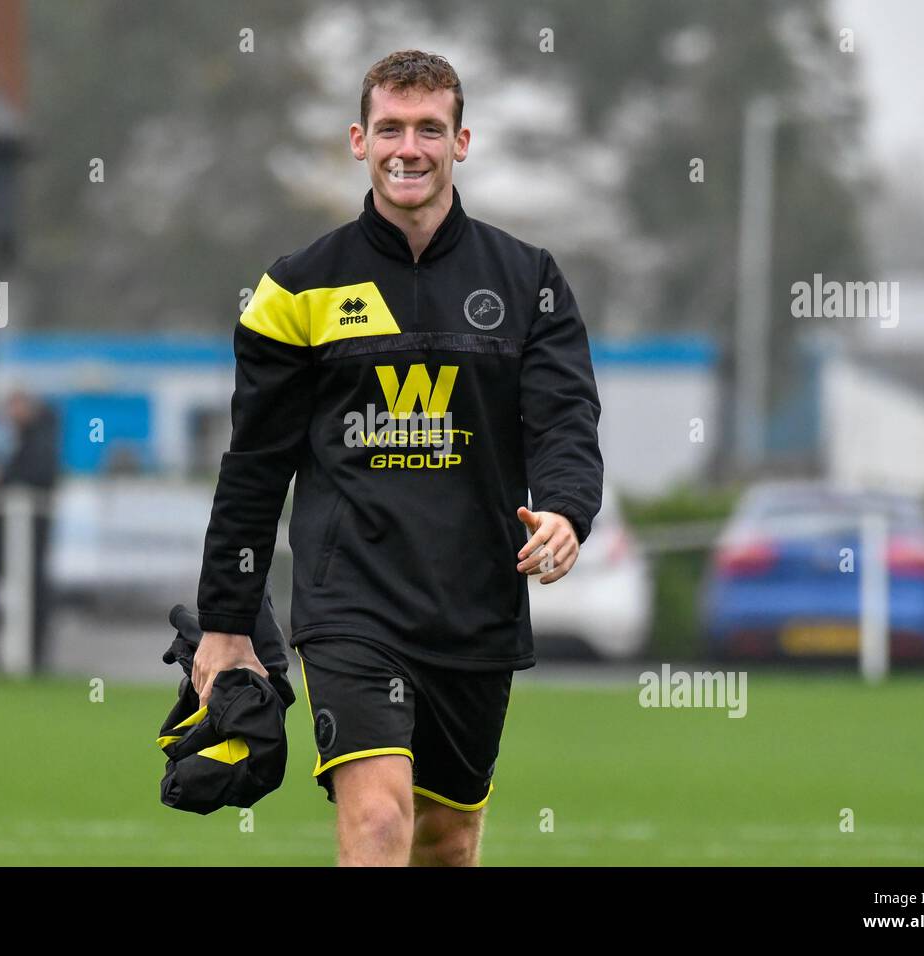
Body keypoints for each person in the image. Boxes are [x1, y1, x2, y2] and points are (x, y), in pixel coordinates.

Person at [192, 50, 603, 866]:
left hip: (475, 601)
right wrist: (226, 621)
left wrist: (565, 509)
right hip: (352, 606)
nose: (407, 148)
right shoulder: (295, 288)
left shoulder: (530, 281)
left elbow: (563, 417)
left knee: (446, 841)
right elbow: (255, 464)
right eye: (389, 129)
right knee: (380, 823)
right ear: (358, 140)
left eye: (428, 129)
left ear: (461, 141)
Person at [0, 389, 60, 672]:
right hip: (23, 537)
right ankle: (24, 655)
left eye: (13, 408)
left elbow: (35, 477)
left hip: (30, 537)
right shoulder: (31, 437)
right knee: (23, 591)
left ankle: (31, 657)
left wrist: (0, 480)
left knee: (32, 591)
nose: (8, 417)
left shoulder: (39, 439)